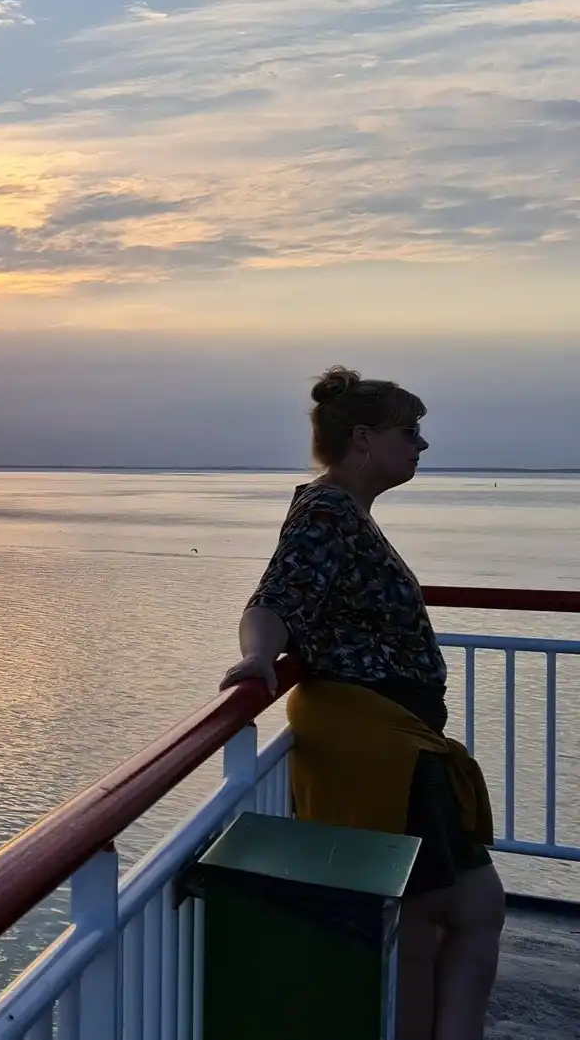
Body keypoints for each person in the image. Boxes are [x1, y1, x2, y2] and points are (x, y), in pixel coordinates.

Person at [221, 366, 502, 1040]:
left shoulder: (345, 512)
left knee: (431, 917)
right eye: (411, 432)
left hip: (391, 736)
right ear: (365, 439)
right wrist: (259, 656)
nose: (421, 445)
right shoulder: (326, 511)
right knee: (464, 905)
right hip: (377, 743)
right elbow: (275, 598)